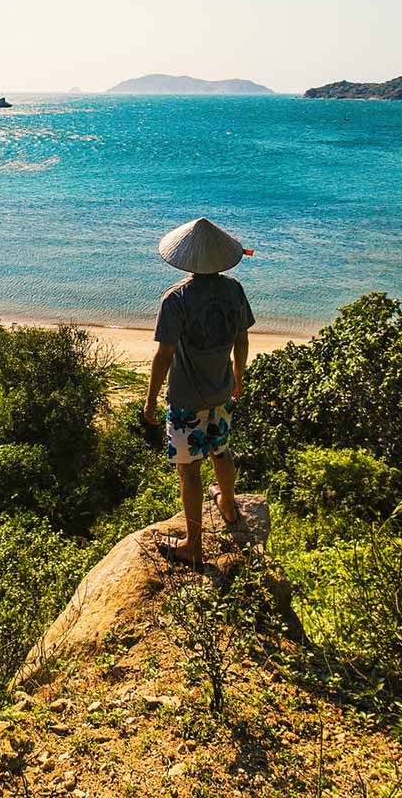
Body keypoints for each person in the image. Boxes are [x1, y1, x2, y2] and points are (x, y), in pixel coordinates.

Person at [142, 217, 255, 567]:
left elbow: (164, 355)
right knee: (221, 451)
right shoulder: (234, 290)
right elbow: (241, 339)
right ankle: (228, 505)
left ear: (186, 259)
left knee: (189, 469)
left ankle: (193, 544)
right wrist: (238, 377)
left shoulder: (176, 299)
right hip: (221, 391)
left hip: (186, 399)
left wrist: (149, 400)